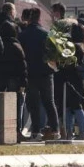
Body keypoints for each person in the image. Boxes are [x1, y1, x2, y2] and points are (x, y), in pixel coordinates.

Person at [19, 7, 60, 141]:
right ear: (39, 18)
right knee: (49, 102)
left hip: (30, 73)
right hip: (46, 73)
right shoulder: (46, 34)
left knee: (33, 103)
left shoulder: (23, 35)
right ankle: (55, 130)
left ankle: (35, 131)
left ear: (29, 18)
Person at [0, 21, 28, 136]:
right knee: (15, 104)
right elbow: (22, 66)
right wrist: (24, 82)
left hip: (0, 77)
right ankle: (16, 130)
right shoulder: (16, 46)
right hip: (14, 78)